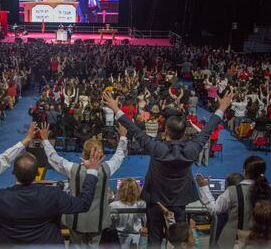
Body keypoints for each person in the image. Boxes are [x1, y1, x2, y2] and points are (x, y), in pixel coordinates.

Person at [102, 91, 234, 247]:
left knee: (154, 242)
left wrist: (116, 109)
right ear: (184, 132)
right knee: (180, 241)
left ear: (165, 132)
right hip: (179, 203)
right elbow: (208, 129)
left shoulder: (156, 148)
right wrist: (222, 107)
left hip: (155, 202)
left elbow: (133, 129)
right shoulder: (192, 149)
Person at [0, 147, 104, 245]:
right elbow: (83, 204)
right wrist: (92, 172)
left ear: (12, 172)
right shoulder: (53, 195)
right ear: (37, 174)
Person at [40, 122, 128, 248]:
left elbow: (54, 158)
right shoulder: (106, 169)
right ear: (101, 155)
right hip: (98, 221)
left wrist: (45, 140)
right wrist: (123, 137)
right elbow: (119, 156)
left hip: (76, 219)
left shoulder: (73, 169)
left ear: (83, 154)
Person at [196, 155, 271, 248]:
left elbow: (215, 209)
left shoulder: (233, 191)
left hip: (235, 243)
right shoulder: (267, 191)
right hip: (263, 242)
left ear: (244, 171)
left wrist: (204, 187)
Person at [109, 178, 146, 248]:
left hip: (118, 237)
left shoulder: (114, 205)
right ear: (137, 190)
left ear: (121, 190)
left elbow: (109, 225)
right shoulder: (142, 204)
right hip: (136, 237)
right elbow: (146, 223)